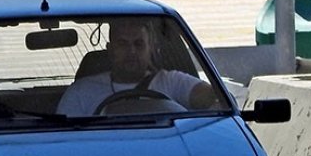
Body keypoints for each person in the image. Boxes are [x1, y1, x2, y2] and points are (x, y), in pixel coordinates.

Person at [55, 18, 218, 116]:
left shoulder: (172, 82)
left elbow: (218, 100)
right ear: (110, 50)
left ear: (151, 49)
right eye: (123, 44)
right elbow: (63, 141)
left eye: (139, 44)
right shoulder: (80, 93)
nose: (131, 51)